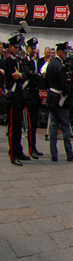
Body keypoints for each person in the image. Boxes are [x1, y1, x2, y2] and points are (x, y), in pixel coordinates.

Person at [3, 34, 31, 165]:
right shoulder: (9, 60)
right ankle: (13, 154)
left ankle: (18, 150)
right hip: (13, 96)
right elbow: (15, 76)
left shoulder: (17, 59)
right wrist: (21, 76)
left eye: (18, 47)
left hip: (19, 96)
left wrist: (22, 75)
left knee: (19, 127)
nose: (16, 49)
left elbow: (23, 75)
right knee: (13, 127)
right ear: (10, 47)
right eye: (15, 47)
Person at [46, 42, 73, 162]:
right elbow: (64, 85)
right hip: (60, 98)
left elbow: (47, 80)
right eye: (64, 52)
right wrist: (67, 92)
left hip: (52, 96)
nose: (65, 54)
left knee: (53, 126)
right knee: (64, 126)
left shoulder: (51, 64)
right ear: (59, 52)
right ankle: (69, 153)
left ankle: (54, 153)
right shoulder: (60, 66)